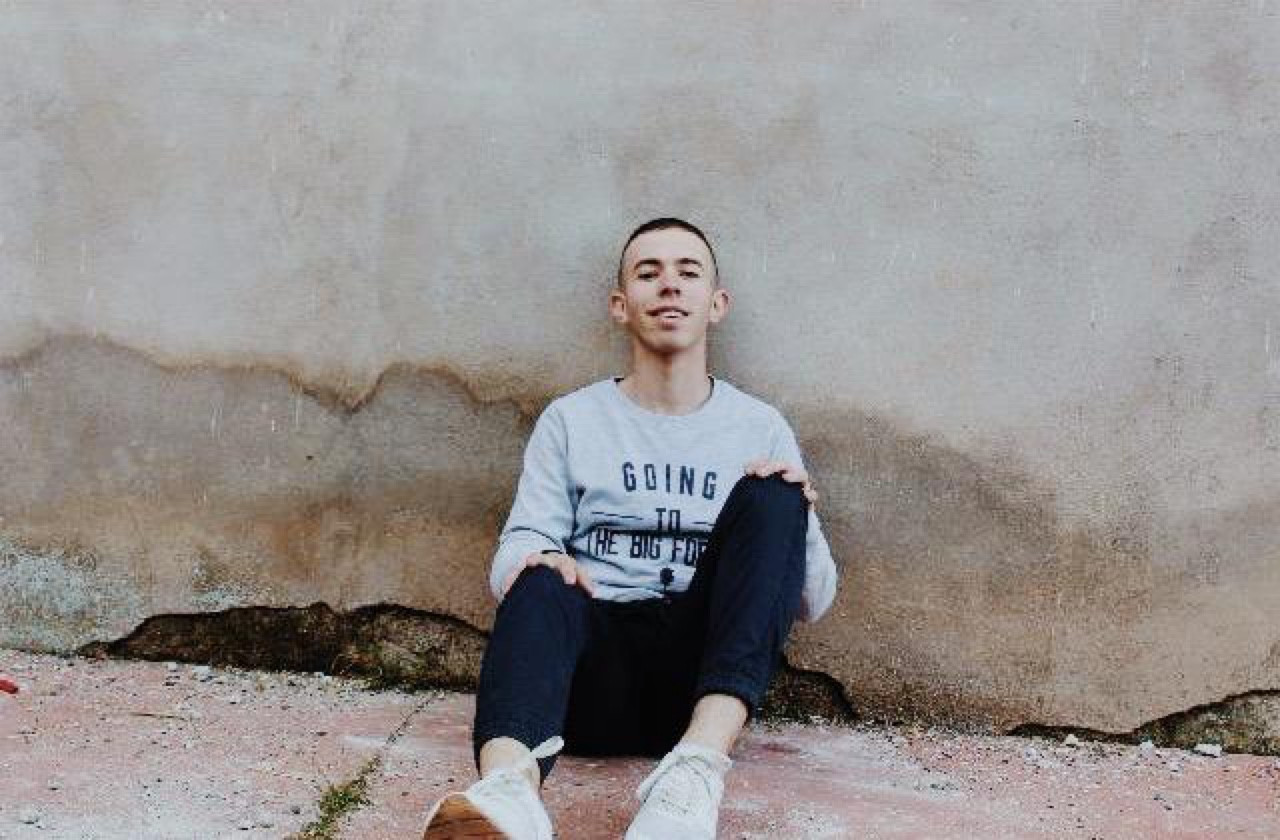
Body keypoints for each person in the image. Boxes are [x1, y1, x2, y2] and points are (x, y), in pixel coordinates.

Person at [422, 217, 838, 840]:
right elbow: (517, 547)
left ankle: (691, 776)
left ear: (716, 304)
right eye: (649, 273)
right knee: (537, 572)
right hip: (589, 682)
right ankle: (507, 796)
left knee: (775, 493)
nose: (669, 285)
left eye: (688, 272)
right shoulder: (572, 419)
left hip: (703, 687)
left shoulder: (760, 427)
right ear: (621, 305)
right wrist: (541, 561)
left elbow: (814, 599)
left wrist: (795, 512)